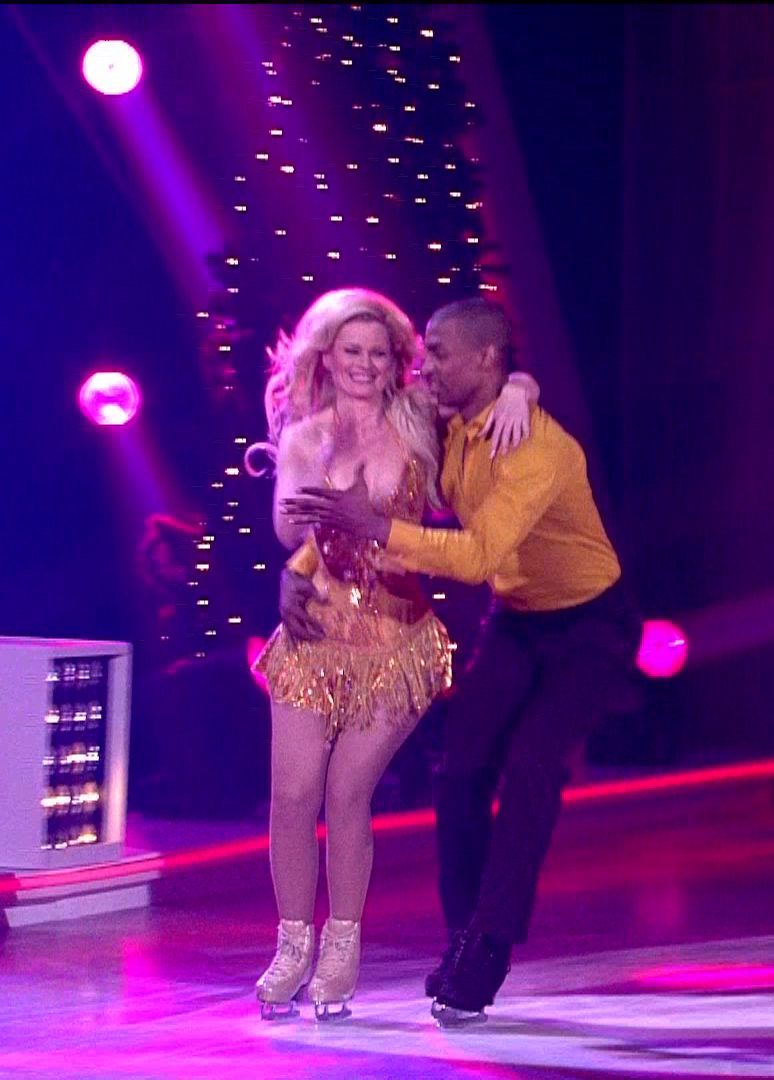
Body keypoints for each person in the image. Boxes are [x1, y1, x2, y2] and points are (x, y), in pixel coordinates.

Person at [283, 297, 640, 1026]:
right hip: (518, 622)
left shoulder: (537, 450)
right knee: (461, 767)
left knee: (533, 767)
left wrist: (379, 528)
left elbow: (476, 557)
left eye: (439, 353)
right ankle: (462, 935)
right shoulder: (445, 420)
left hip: (590, 627)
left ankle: (489, 948)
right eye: (424, 353)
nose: (424, 366)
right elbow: (374, 490)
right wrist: (301, 563)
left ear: (484, 359)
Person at [246, 287, 539, 1021]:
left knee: (347, 792)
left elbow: (490, 381)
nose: (366, 364)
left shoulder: (417, 418)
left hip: (397, 642)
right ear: (327, 356)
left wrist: (522, 389)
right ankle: (292, 945)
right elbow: (292, 532)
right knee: (292, 794)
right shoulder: (304, 437)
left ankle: (341, 949)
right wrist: (296, 556)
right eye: (352, 351)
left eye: (379, 353)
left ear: (396, 361)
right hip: (314, 637)